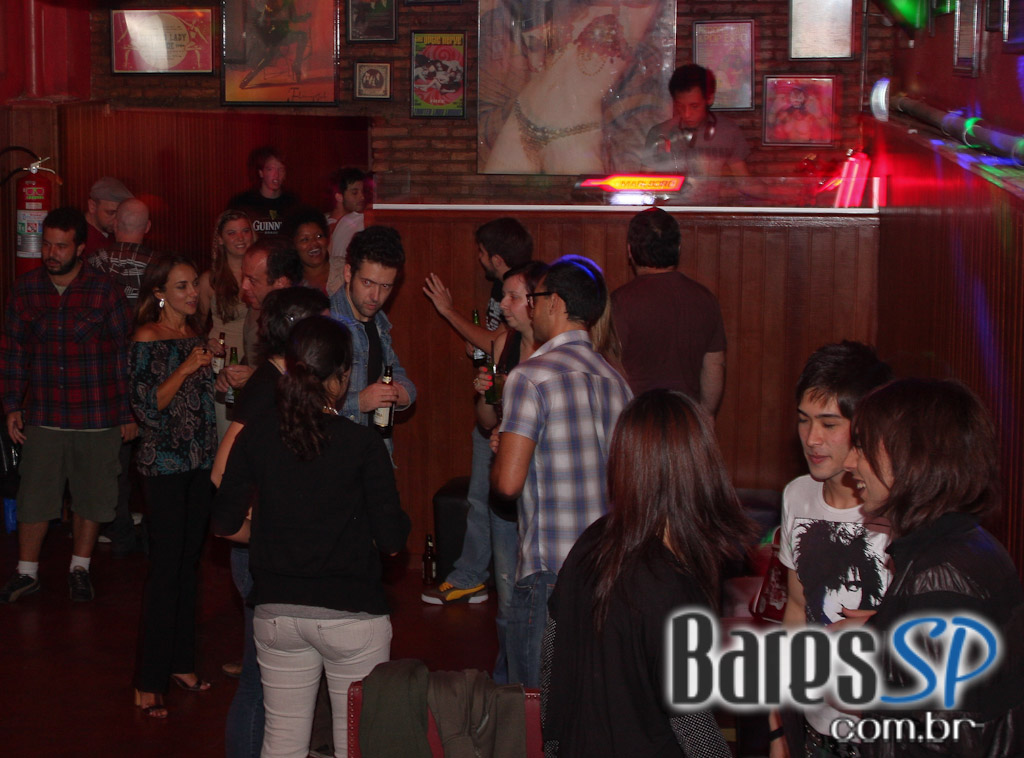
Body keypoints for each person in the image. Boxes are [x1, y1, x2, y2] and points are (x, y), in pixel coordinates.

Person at [213, 316, 411, 758]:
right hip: (351, 616)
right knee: (356, 746)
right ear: (341, 381)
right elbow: (393, 540)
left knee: (281, 743)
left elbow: (225, 524)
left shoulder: (258, 437)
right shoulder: (362, 445)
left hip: (277, 612)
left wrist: (264, 535)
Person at [543, 390, 747, 757]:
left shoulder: (592, 540)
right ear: (699, 467)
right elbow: (692, 722)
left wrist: (553, 743)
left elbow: (552, 651)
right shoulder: (669, 585)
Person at [845, 378, 1024, 757]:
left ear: (912, 454)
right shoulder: (957, 546)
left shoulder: (941, 576)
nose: (849, 463)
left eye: (860, 446)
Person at [491, 256, 633, 687]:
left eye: (534, 299)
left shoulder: (531, 377)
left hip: (550, 570)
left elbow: (508, 484)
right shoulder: (617, 382)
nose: (530, 309)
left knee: (536, 714)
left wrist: (505, 455)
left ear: (554, 302)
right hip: (609, 571)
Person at [211, 287, 330, 758]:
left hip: (259, 550)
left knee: (267, 680)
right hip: (254, 552)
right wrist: (265, 519)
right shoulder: (267, 387)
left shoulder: (281, 381)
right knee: (261, 685)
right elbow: (224, 470)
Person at [0, 207, 135, 604]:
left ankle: (80, 568)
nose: (51, 253)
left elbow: (126, 354)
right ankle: (27, 573)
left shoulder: (104, 290)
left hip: (98, 414)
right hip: (44, 415)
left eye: (61, 246)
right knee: (34, 497)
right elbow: (11, 353)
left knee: (93, 497)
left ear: (80, 247)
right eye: (47, 244)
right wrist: (11, 406)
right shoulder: (25, 290)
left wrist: (128, 412)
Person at [771, 341, 893, 757]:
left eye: (829, 423)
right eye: (804, 421)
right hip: (816, 729)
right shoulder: (797, 495)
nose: (811, 438)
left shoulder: (898, 507)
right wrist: (781, 723)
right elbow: (795, 605)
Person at [421, 218, 533, 606]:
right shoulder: (503, 292)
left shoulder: (521, 293)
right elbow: (492, 342)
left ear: (497, 258)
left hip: (511, 421)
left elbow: (497, 340)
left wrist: (448, 311)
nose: (478, 258)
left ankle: (485, 580)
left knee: (491, 501)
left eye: (482, 252)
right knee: (482, 498)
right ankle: (477, 576)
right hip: (494, 411)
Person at [129, 254, 217, 718]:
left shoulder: (194, 336)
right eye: (182, 286)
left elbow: (201, 404)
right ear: (160, 292)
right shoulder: (147, 338)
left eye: (193, 286)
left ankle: (181, 662)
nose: (192, 293)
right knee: (164, 571)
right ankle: (147, 680)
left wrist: (222, 376)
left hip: (199, 463)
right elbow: (148, 407)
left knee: (189, 566)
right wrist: (187, 367)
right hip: (162, 467)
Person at [89, 196, 155, 557]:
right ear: (147, 228)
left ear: (116, 226)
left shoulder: (95, 261)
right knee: (150, 455)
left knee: (113, 459)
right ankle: (150, 529)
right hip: (150, 370)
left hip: (104, 373)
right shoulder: (159, 265)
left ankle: (119, 528)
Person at [611, 208, 726, 412]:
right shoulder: (705, 299)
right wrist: (705, 417)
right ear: (678, 248)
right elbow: (714, 367)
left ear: (630, 251)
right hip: (686, 420)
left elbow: (609, 369)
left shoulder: (620, 302)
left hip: (636, 422)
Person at [329, 226, 416, 453]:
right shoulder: (324, 323)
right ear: (348, 273)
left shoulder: (378, 322)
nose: (376, 297)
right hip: (335, 459)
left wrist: (398, 392)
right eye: (367, 283)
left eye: (385, 286)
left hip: (374, 454)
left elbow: (398, 374)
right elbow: (302, 403)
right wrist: (359, 402)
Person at [642, 64, 751, 205]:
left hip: (708, 218)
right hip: (667, 219)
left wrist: (775, 193)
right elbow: (644, 184)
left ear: (709, 99)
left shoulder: (728, 131)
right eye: (680, 106)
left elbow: (744, 182)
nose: (687, 114)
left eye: (694, 106)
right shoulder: (659, 133)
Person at [221, 237, 303, 399]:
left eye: (252, 280)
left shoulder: (304, 322)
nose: (244, 286)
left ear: (281, 283)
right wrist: (232, 375)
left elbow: (305, 385)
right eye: (244, 277)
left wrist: (255, 378)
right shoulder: (256, 308)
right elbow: (253, 359)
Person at [199, 209, 255, 440]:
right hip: (225, 371)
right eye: (232, 233)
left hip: (257, 367)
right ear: (220, 239)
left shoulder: (266, 272)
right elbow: (195, 325)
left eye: (245, 231)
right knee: (228, 440)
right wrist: (205, 341)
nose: (240, 238)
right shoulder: (209, 279)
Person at [227, 146, 299, 238]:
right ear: (261, 173)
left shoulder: (293, 203)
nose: (276, 175)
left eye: (281, 169)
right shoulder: (242, 203)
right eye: (270, 169)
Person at [325, 168, 366, 296]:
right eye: (355, 193)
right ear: (339, 196)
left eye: (362, 191)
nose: (362, 197)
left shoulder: (360, 219)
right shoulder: (322, 225)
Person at [283, 205, 331, 294]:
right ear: (293, 245)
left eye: (319, 236)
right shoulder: (288, 283)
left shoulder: (344, 272)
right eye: (305, 239)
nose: (314, 243)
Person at [83, 176, 134, 258]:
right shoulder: (79, 239)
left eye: (120, 213)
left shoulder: (114, 235)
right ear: (92, 206)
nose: (116, 220)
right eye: (110, 213)